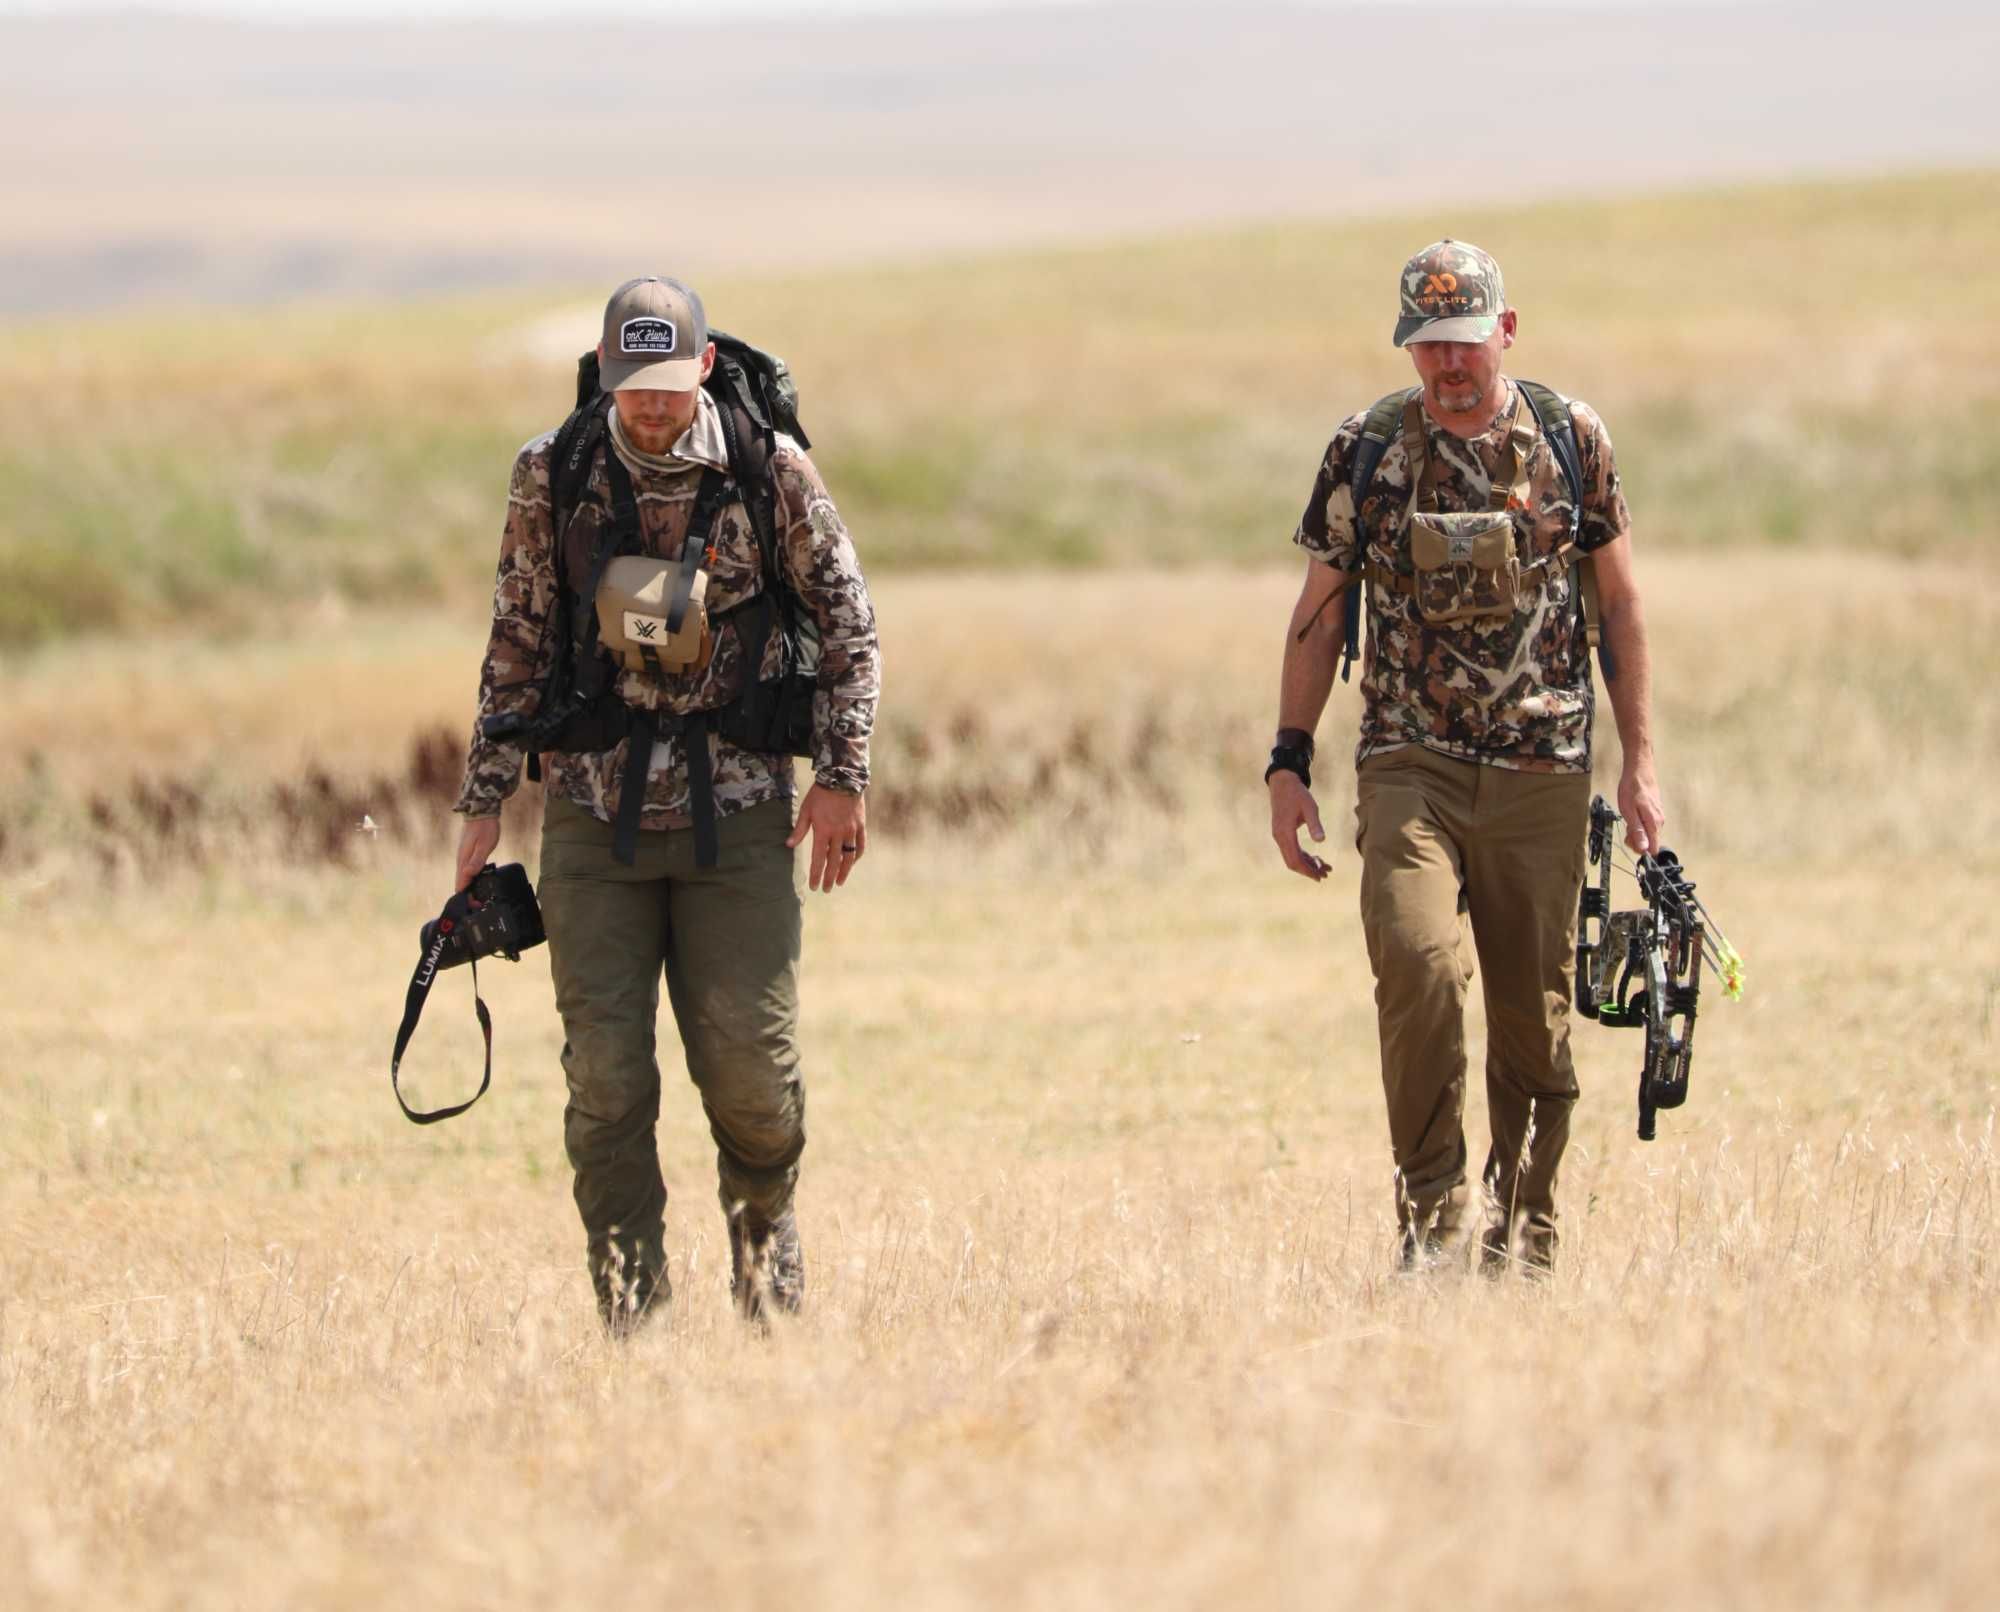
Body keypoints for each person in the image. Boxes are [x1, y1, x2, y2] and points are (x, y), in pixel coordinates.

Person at [451, 276, 880, 1329]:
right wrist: (482, 801)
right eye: (630, 384)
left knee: (748, 1070)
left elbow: (851, 625)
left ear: (699, 368)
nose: (650, 406)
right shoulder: (552, 474)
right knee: (604, 1078)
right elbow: (517, 635)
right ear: (604, 373)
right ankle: (631, 1313)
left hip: (737, 810)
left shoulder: (765, 468)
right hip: (592, 816)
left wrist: (840, 776)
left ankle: (764, 1245)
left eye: (667, 384)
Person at [1267, 239, 1663, 1274]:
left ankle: (1521, 1237)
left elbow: (1617, 604)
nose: (1448, 366)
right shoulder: (1366, 449)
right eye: (1427, 345)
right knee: (1416, 965)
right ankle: (1431, 1226)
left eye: (1465, 343)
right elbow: (1317, 616)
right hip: (1411, 763)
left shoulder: (1571, 440)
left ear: (1506, 331)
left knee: (1532, 1024)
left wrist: (1639, 765)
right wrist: (1285, 761)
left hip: (1543, 768)